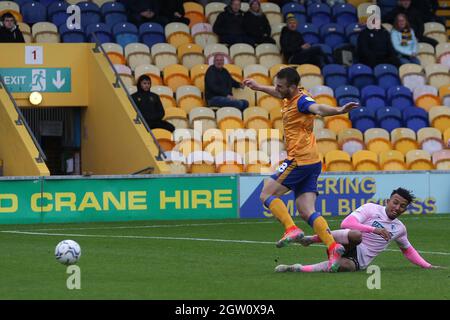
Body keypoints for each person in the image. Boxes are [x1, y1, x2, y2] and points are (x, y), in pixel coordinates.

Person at [243, 67, 359, 272]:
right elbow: (277, 92)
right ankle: (333, 247)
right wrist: (259, 87)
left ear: (293, 87)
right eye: (276, 85)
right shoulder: (291, 94)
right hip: (312, 161)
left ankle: (291, 229)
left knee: (266, 194)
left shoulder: (303, 102)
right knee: (307, 211)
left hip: (299, 159)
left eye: (281, 86)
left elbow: (319, 109)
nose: (277, 89)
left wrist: (339, 111)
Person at [275, 188, 445, 273]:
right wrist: (374, 230)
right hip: (351, 240)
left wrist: (427, 265)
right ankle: (310, 240)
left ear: (405, 209)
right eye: (395, 202)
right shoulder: (371, 208)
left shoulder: (399, 228)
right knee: (356, 235)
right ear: (388, 200)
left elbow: (408, 250)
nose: (397, 207)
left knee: (340, 268)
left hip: (360, 260)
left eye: (402, 206)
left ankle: (296, 268)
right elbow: (346, 222)